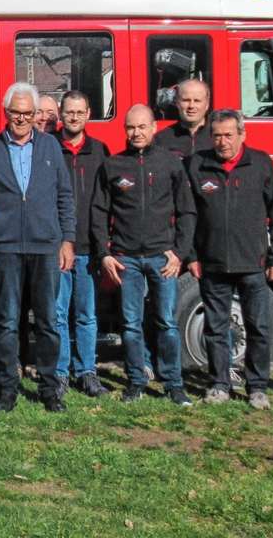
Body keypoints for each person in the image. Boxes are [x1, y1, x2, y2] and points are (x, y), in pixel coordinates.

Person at [0, 82, 75, 412]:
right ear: (5, 113)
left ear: (35, 116)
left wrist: (67, 240)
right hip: (5, 249)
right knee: (7, 321)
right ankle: (7, 388)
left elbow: (64, 196)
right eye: (15, 113)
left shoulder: (50, 147)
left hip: (46, 247)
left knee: (47, 322)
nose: (21, 119)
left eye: (28, 114)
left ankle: (48, 388)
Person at [92, 103, 196, 407]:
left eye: (142, 127)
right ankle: (136, 382)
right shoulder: (113, 166)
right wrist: (104, 253)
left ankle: (173, 384)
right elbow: (99, 212)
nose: (136, 133)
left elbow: (187, 211)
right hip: (127, 260)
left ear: (153, 128)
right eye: (130, 127)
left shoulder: (171, 165)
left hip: (162, 260)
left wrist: (180, 252)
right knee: (131, 324)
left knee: (167, 322)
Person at [185, 109, 273, 410]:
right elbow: (187, 215)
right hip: (212, 264)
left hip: (253, 264)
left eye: (229, 135)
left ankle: (257, 387)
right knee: (216, 329)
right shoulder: (197, 165)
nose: (222, 141)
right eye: (217, 135)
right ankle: (219, 384)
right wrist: (191, 255)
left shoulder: (260, 164)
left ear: (242, 134)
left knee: (258, 327)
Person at [54, 90, 111, 398]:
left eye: (79, 112)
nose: (74, 117)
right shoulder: (48, 148)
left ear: (89, 114)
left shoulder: (101, 152)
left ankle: (87, 371)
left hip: (89, 247)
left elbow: (109, 201)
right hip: (58, 249)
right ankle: (61, 373)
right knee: (58, 314)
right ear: (61, 115)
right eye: (69, 112)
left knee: (86, 315)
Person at [152, 79, 212, 161]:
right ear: (177, 102)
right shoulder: (161, 139)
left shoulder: (217, 136)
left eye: (197, 101)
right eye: (186, 100)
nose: (191, 106)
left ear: (207, 104)